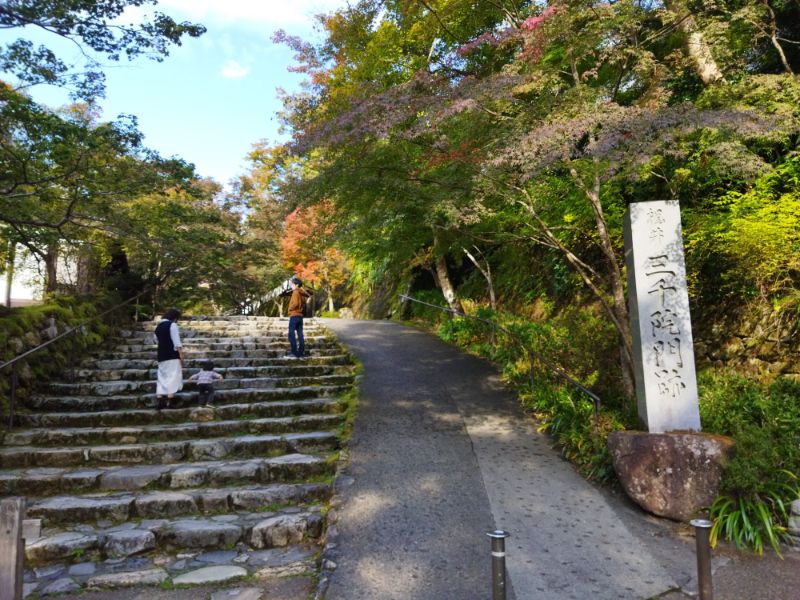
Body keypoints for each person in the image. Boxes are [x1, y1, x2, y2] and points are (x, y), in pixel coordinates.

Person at [154, 308, 184, 409]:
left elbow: (155, 341)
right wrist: (181, 354)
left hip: (161, 355)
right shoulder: (172, 325)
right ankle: (170, 401)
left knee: (162, 377)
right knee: (173, 376)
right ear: (175, 318)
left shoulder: (158, 327)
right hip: (172, 354)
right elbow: (176, 341)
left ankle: (160, 401)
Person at [286, 275, 311, 359]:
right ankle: (300, 352)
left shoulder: (296, 292)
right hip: (300, 316)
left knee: (291, 334)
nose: (291, 286)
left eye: (292, 284)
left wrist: (289, 309)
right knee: (300, 334)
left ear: (296, 285)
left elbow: (295, 304)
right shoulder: (302, 293)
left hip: (294, 315)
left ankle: (294, 352)